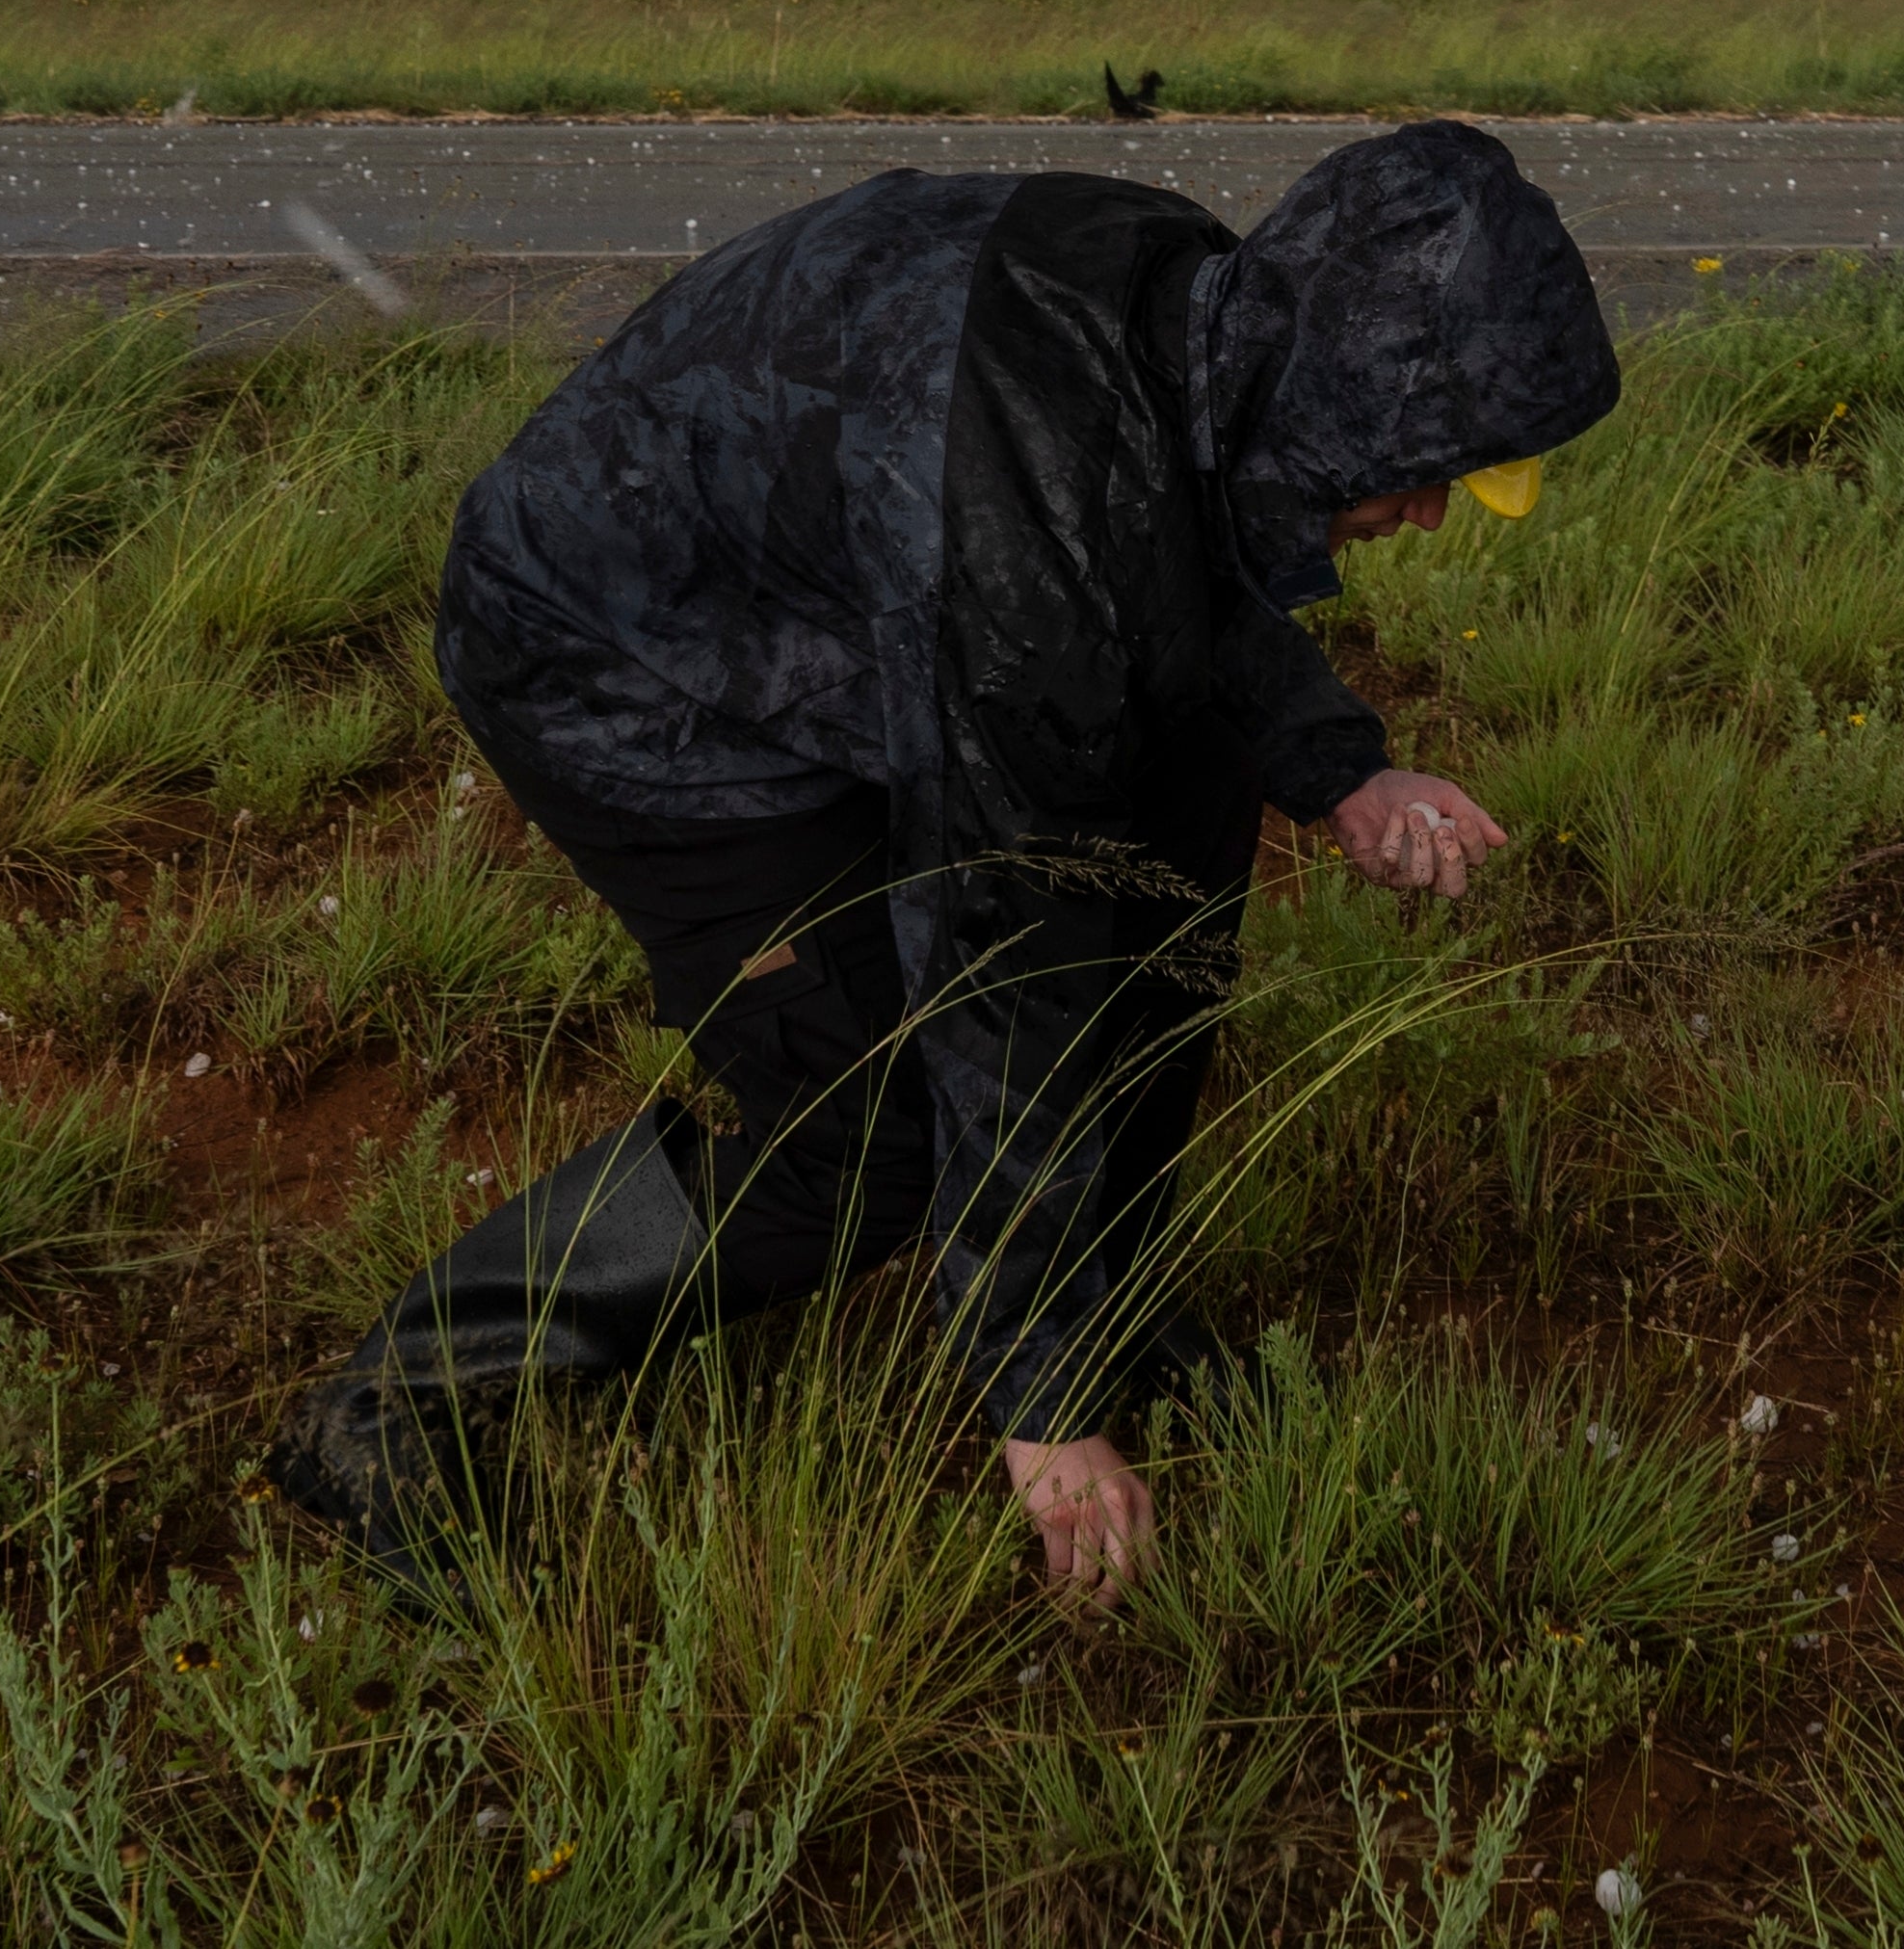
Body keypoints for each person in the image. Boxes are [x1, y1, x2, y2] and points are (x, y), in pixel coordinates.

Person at [270, 122, 1622, 1603]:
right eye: (1420, 469)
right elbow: (1001, 945)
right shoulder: (1014, 519)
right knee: (881, 1121)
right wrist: (1038, 1408)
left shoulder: (1194, 301)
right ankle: (392, 1399)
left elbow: (1177, 546)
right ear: (1334, 393)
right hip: (631, 672)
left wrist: (1342, 769)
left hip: (859, 606)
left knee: (1182, 785)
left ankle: (1100, 1294)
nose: (1426, 510)